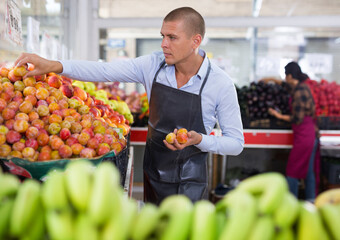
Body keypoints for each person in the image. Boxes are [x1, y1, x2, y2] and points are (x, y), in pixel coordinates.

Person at [15, 7, 244, 204]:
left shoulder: (219, 84)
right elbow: (103, 70)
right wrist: (52, 65)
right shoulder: (153, 65)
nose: (164, 44)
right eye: (162, 35)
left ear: (196, 41)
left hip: (191, 182)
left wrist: (200, 140)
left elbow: (236, 143)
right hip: (153, 174)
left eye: (172, 37)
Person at [264, 62, 320, 201]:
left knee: (292, 170)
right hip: (309, 134)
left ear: (289, 75)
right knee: (308, 171)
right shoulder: (300, 87)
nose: (284, 78)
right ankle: (311, 201)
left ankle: (292, 202)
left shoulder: (300, 91)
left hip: (305, 135)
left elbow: (297, 118)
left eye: (285, 75)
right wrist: (271, 79)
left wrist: (278, 115)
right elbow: (285, 85)